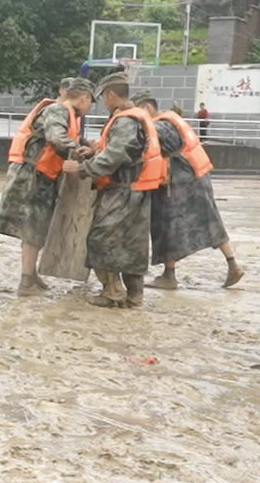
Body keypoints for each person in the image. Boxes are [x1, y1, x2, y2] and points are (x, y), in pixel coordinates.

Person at [62, 72, 166, 308]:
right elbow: (120, 150)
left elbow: (115, 156)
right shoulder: (132, 118)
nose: (103, 102)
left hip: (123, 192)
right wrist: (95, 151)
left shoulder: (126, 121)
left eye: (104, 97)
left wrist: (82, 168)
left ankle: (113, 292)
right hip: (136, 190)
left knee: (99, 239)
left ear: (110, 95)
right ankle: (134, 295)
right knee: (133, 244)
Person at [131, 91, 244, 289]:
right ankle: (232, 263)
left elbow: (138, 148)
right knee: (211, 222)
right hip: (197, 178)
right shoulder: (171, 120)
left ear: (147, 109)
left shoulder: (158, 127)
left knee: (165, 225)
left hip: (180, 183)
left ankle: (169, 275)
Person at [0, 78, 95, 296]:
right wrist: (81, 152)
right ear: (83, 98)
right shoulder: (58, 110)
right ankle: (26, 282)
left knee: (37, 226)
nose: (89, 108)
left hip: (38, 172)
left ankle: (30, 273)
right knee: (33, 226)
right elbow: (57, 138)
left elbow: (68, 136)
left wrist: (87, 146)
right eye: (90, 103)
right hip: (33, 174)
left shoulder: (63, 113)